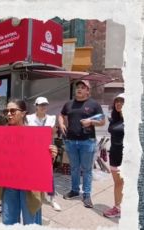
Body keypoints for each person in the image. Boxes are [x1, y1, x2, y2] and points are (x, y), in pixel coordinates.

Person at [0, 98, 57, 225]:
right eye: (6, 111)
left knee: (31, 221)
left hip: (30, 184)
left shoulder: (35, 133)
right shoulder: (2, 133)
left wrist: (51, 153)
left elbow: (42, 159)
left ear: (23, 113)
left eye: (12, 111)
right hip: (9, 182)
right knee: (8, 220)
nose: (9, 114)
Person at [58, 80, 105, 208]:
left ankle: (87, 195)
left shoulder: (94, 104)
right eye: (77, 87)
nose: (79, 89)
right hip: (70, 141)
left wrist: (90, 121)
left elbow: (102, 121)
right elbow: (61, 115)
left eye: (82, 87)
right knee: (74, 168)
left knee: (87, 170)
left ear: (87, 91)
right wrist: (61, 123)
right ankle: (74, 190)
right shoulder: (69, 104)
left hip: (87, 141)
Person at [26, 97, 61, 212]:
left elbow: (53, 134)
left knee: (49, 174)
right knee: (31, 173)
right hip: (32, 150)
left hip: (46, 149)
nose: (43, 107)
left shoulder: (51, 118)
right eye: (41, 105)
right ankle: (33, 195)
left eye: (45, 104)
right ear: (36, 106)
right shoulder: (29, 118)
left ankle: (52, 198)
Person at [103, 93, 125, 218]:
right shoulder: (115, 118)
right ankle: (117, 208)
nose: (118, 103)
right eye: (117, 101)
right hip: (114, 154)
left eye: (122, 101)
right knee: (118, 183)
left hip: (127, 157)